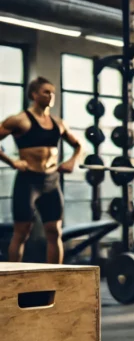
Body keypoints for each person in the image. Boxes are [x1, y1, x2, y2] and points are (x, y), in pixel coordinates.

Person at [0, 77, 82, 264]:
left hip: (51, 182)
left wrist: (70, 162)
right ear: (34, 95)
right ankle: (14, 280)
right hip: (28, 181)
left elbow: (79, 146)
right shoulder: (20, 120)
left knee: (54, 232)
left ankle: (56, 280)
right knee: (22, 232)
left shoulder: (58, 123)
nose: (51, 95)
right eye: (46, 92)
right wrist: (12, 162)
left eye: (52, 92)